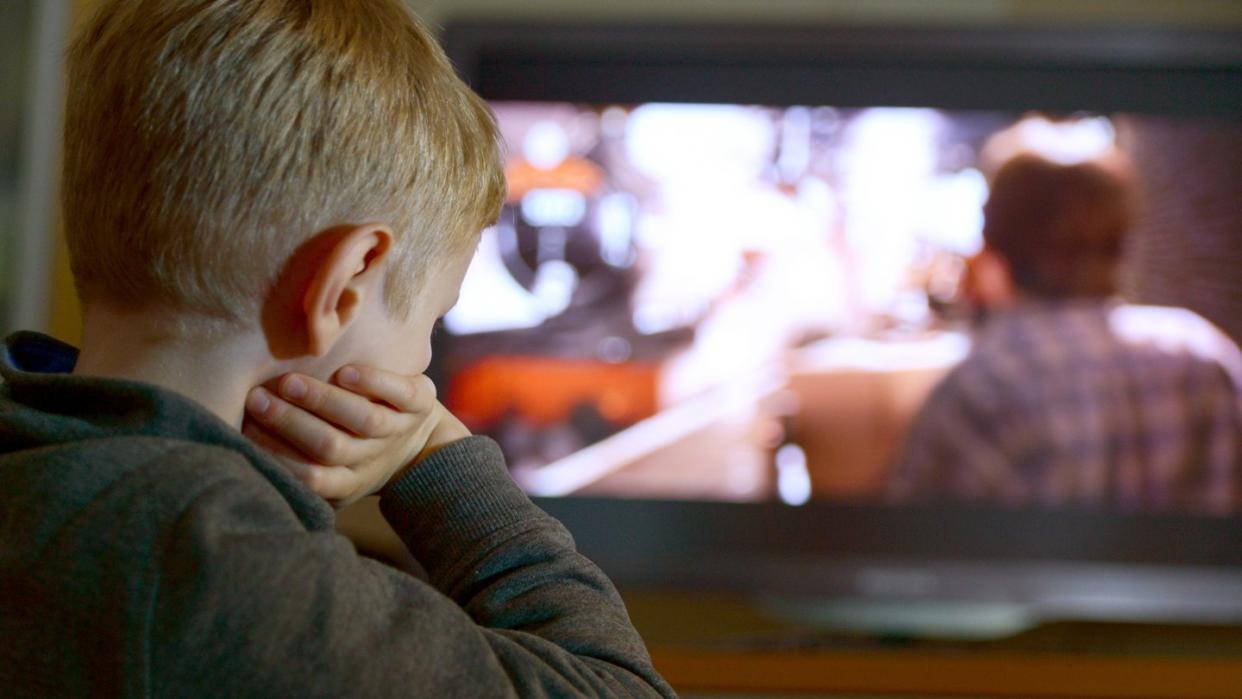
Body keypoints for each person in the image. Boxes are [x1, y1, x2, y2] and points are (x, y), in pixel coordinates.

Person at [0, 1, 675, 696]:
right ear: (342, 283)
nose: (422, 371)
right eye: (430, 322)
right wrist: (435, 457)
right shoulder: (215, 567)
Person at [889, 152, 1242, 515]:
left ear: (995, 244)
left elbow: (919, 555)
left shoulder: (978, 391)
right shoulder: (1208, 357)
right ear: (1121, 240)